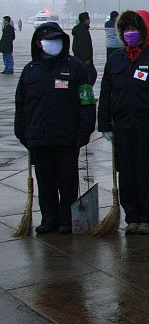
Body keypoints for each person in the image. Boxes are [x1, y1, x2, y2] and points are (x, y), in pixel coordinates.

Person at [97, 9, 149, 236]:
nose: (130, 33)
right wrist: (104, 124)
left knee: (147, 172)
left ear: (144, 31)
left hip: (148, 127)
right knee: (127, 172)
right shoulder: (115, 59)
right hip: (122, 126)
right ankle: (131, 216)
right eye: (126, 29)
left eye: (134, 29)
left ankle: (147, 217)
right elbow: (105, 92)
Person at [14, 22, 95, 234]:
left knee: (67, 180)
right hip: (39, 137)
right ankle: (49, 218)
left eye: (56, 39)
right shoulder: (30, 70)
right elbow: (21, 103)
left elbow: (86, 101)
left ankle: (66, 218)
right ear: (39, 44)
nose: (52, 44)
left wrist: (85, 131)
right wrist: (21, 132)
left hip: (67, 136)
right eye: (48, 41)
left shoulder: (76, 67)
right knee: (45, 180)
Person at [71, 12, 96, 85]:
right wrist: (86, 59)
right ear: (86, 20)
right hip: (84, 59)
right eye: (88, 19)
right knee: (91, 75)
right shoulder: (83, 31)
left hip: (78, 57)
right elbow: (84, 46)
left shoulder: (79, 30)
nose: (89, 20)